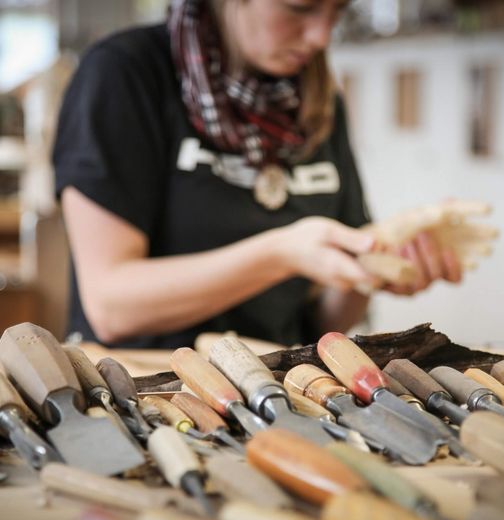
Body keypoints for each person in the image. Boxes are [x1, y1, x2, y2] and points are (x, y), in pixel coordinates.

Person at [53, 0, 461, 350]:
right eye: (300, 7)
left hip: (276, 383)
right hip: (141, 390)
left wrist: (368, 271)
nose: (321, 36)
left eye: (336, 11)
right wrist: (281, 253)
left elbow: (321, 322)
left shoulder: (319, 101)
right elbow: (111, 307)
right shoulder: (125, 73)